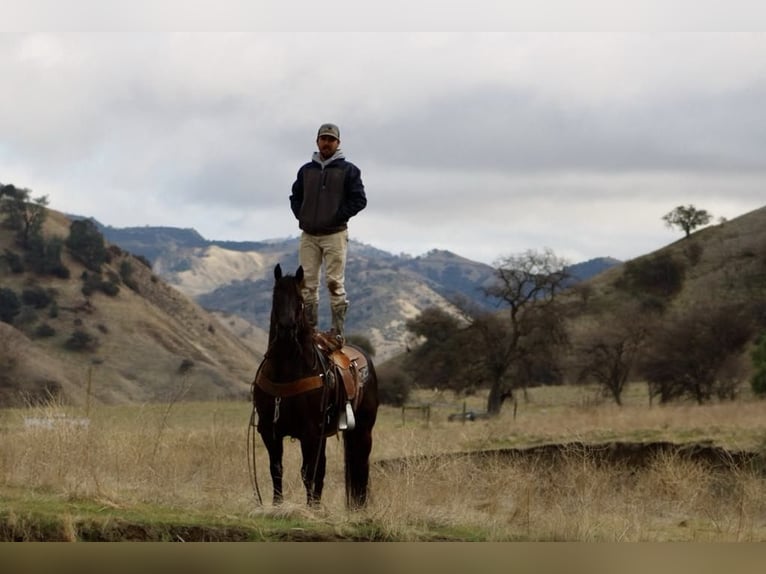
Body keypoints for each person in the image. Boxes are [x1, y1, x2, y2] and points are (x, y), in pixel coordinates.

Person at [289, 123, 367, 337]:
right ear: (317, 141)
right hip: (309, 236)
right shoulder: (306, 170)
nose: (326, 143)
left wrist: (336, 216)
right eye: (323, 138)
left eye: (331, 139)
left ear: (338, 143)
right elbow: (295, 196)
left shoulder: (348, 170)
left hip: (334, 234)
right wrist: (301, 215)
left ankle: (338, 332)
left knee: (334, 283)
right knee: (307, 284)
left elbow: (359, 200)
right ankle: (310, 330)